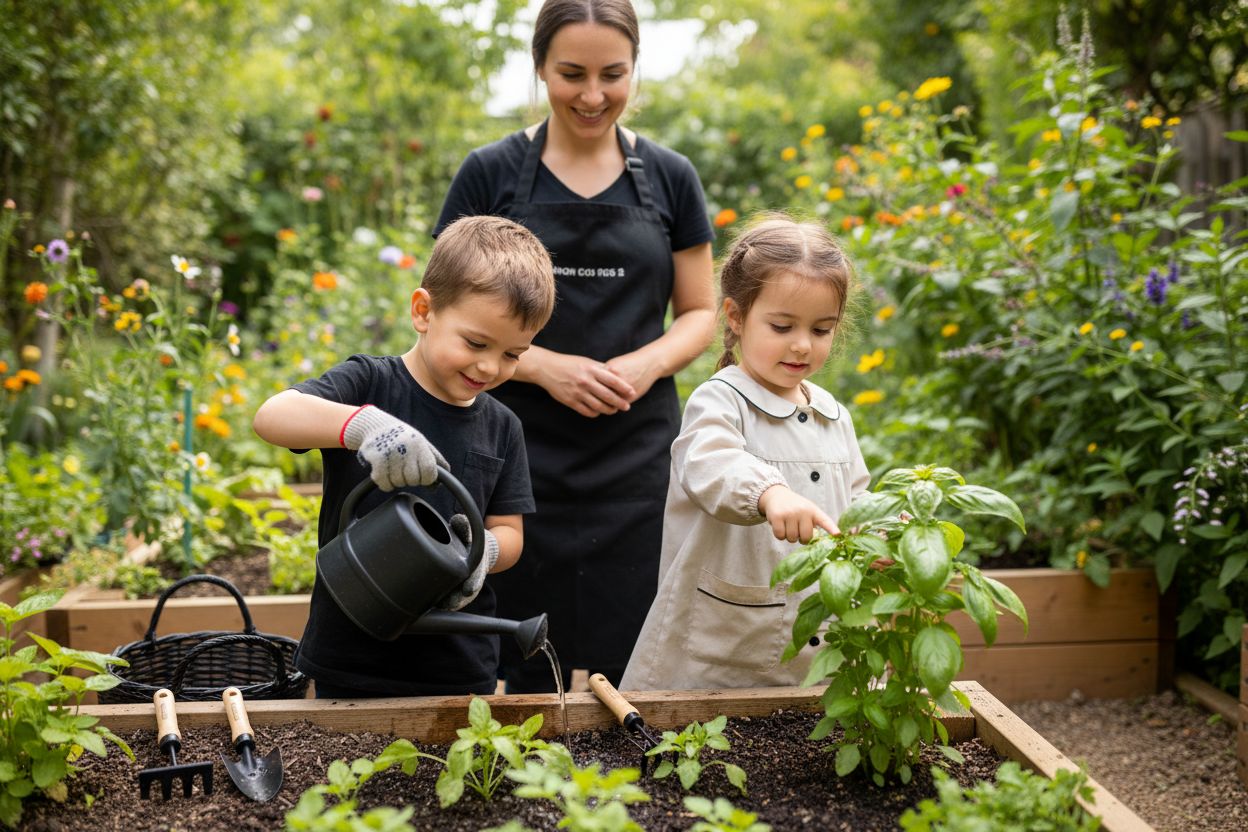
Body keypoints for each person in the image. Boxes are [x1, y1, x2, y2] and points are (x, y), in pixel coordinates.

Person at [435, 0, 716, 692]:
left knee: (637, 642)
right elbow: (444, 313)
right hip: (517, 450)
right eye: (571, 73)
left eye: (613, 74)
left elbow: (702, 311)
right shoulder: (490, 174)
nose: (593, 95)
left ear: (635, 71)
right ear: (539, 69)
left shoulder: (672, 178)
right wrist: (542, 366)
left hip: (638, 454)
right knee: (522, 652)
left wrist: (645, 362)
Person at [252, 215, 556, 698]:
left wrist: (485, 553)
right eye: (476, 343)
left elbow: (510, 530)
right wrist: (362, 425)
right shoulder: (369, 384)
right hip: (352, 646)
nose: (489, 366)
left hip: (458, 660)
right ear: (423, 311)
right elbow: (272, 415)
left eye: (512, 355)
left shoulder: (503, 427)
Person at [620, 215, 871, 691]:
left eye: (821, 330)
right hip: (723, 649)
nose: (802, 344)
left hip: (815, 645)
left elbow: (856, 498)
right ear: (735, 317)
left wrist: (877, 532)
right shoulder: (720, 399)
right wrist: (770, 493)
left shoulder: (833, 414)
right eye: (782, 326)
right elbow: (711, 464)